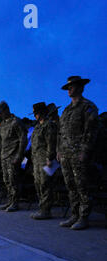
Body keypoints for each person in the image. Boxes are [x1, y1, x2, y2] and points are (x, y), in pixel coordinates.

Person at [58, 76, 99, 230]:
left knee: (82, 186)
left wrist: (85, 150)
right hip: (66, 154)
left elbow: (91, 131)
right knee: (70, 186)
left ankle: (84, 217)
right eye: (68, 87)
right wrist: (59, 150)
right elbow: (61, 133)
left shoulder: (88, 107)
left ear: (81, 88)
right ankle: (74, 214)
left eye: (72, 86)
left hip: (79, 153)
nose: (69, 89)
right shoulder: (67, 110)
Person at [0, 101, 27, 212]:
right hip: (4, 156)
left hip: (13, 156)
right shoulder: (3, 124)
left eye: (1, 112)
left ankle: (15, 202)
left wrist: (19, 155)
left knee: (14, 180)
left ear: (6, 110)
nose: (0, 115)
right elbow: (0, 141)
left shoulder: (16, 122)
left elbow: (23, 139)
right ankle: (9, 201)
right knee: (6, 180)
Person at [29, 102, 58, 220]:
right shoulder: (37, 127)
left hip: (45, 159)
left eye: (36, 113)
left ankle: (46, 210)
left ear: (41, 113)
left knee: (45, 184)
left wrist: (50, 158)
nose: (35, 115)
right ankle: (42, 208)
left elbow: (51, 142)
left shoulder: (49, 125)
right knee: (38, 184)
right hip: (36, 159)